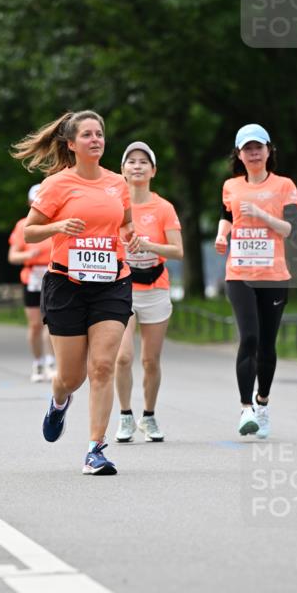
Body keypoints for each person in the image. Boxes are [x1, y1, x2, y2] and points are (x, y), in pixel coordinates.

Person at [12, 110, 142, 476]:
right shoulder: (57, 185)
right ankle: (58, 401)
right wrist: (58, 225)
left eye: (99, 133)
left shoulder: (118, 183)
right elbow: (30, 232)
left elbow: (126, 222)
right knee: (72, 377)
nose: (96, 139)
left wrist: (129, 233)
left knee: (102, 366)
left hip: (112, 283)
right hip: (66, 284)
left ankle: (95, 450)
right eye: (87, 134)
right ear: (72, 144)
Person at [215, 123, 297, 439]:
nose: (253, 153)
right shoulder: (231, 186)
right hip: (239, 273)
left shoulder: (284, 186)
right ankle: (245, 409)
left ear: (268, 151)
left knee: (266, 343)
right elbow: (226, 216)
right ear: (239, 154)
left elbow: (291, 229)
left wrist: (262, 214)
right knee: (248, 338)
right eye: (247, 148)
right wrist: (222, 235)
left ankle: (262, 403)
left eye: (258, 147)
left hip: (274, 275)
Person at [114, 142, 183, 443]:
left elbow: (177, 251)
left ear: (153, 171)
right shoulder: (114, 206)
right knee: (122, 357)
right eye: (132, 161)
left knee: (150, 361)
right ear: (123, 170)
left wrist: (148, 245)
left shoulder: (163, 207)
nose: (137, 166)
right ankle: (125, 416)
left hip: (155, 288)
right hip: (122, 288)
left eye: (144, 162)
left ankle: (149, 416)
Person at [8, 184, 56, 382]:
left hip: (52, 276)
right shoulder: (22, 225)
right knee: (35, 324)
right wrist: (28, 254)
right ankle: (38, 363)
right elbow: (12, 256)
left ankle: (51, 362)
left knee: (52, 323)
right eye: (36, 201)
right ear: (30, 203)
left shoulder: (56, 223)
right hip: (32, 277)